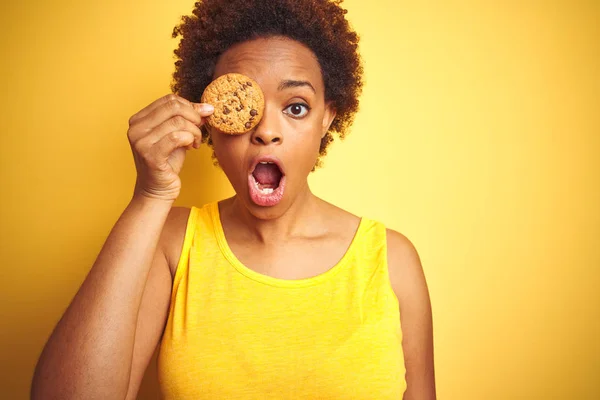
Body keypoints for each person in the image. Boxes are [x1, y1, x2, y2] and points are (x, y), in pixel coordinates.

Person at [31, 0, 436, 398]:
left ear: (326, 118)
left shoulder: (391, 259)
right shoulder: (173, 244)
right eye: (245, 109)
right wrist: (150, 196)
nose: (265, 132)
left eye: (295, 107)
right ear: (211, 121)